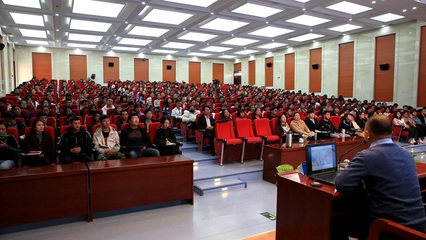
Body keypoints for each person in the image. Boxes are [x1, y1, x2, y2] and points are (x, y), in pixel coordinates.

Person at [335, 115, 426, 239]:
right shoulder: (407, 155)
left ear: (367, 134)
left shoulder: (367, 156)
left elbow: (341, 184)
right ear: (391, 131)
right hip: (419, 226)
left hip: (391, 229)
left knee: (336, 222)